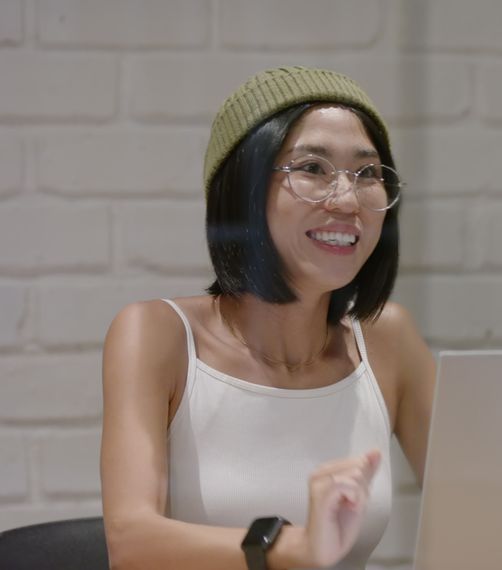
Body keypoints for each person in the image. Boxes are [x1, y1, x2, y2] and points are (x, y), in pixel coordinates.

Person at [100, 66, 435, 570]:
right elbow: (131, 541)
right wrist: (299, 548)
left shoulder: (389, 338)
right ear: (244, 190)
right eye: (312, 168)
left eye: (367, 173)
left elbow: (486, 508)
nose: (347, 199)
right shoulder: (157, 335)